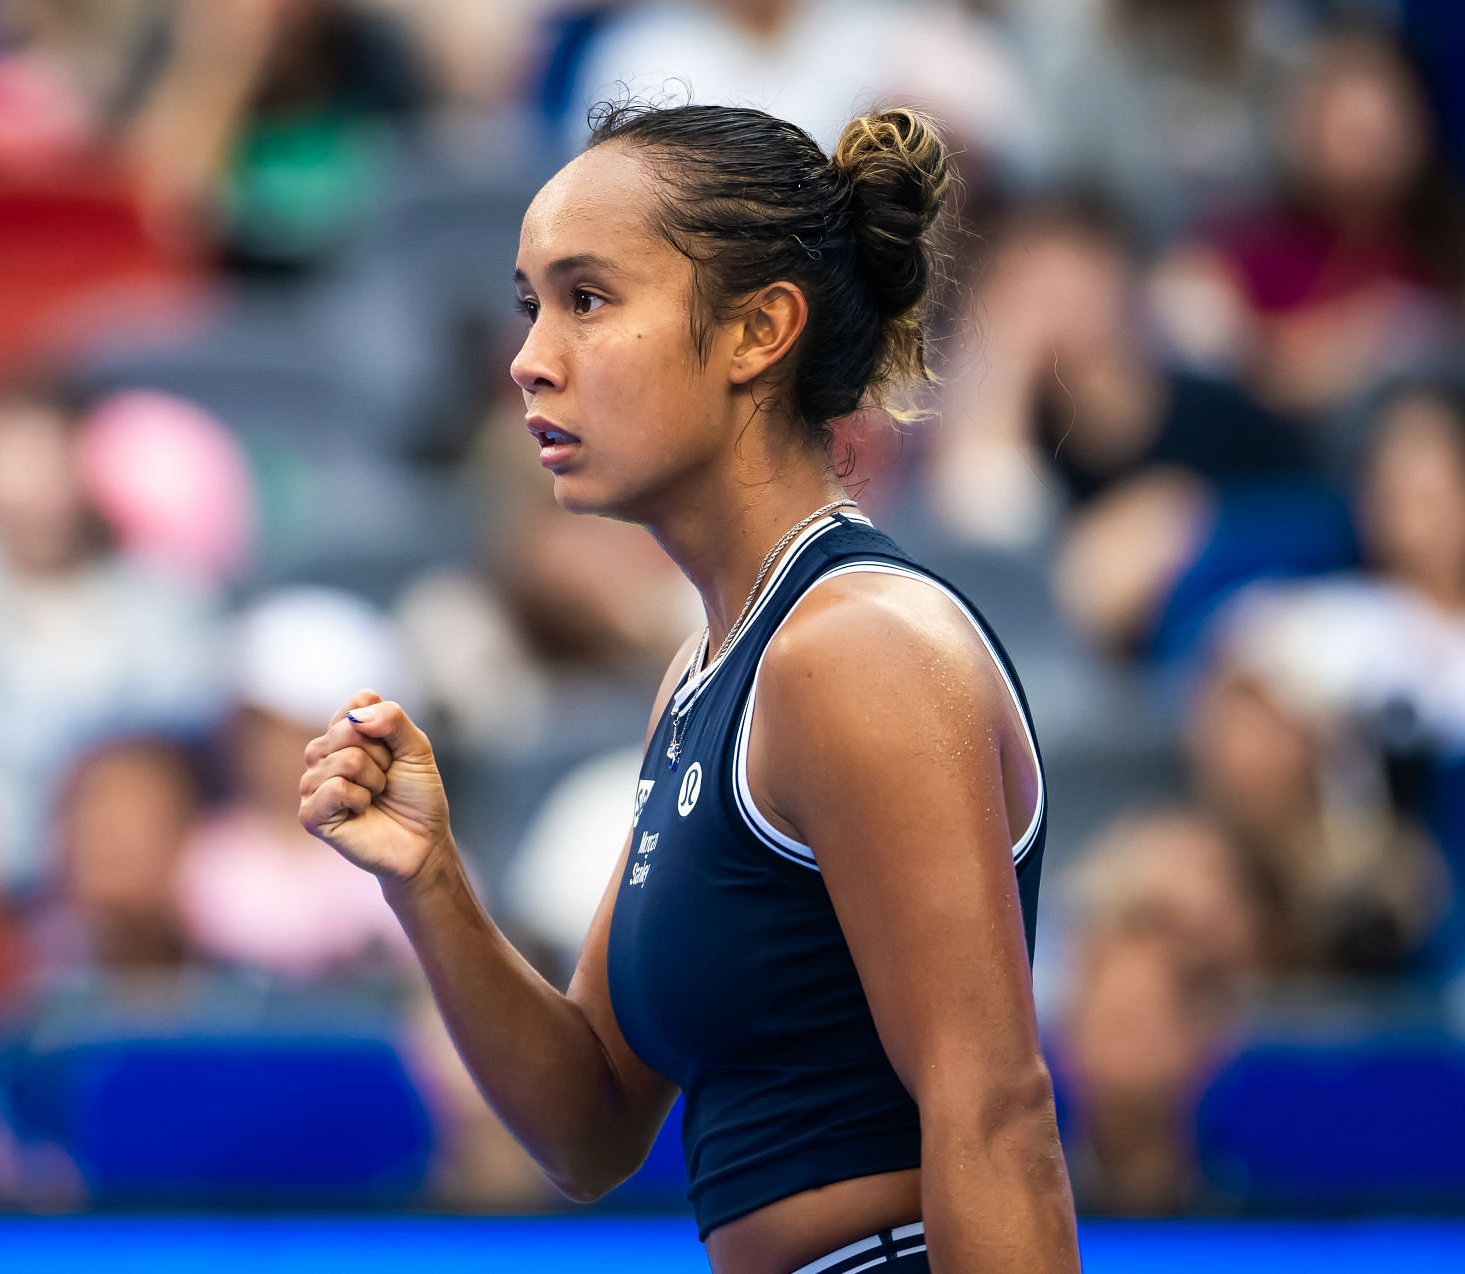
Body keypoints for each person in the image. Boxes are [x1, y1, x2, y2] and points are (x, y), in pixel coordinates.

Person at [299, 104, 1077, 1272]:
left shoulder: (855, 647)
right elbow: (590, 1118)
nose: (530, 355)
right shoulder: (711, 671)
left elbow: (996, 1115)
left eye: (589, 298)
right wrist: (431, 877)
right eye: (530, 303)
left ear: (759, 329)